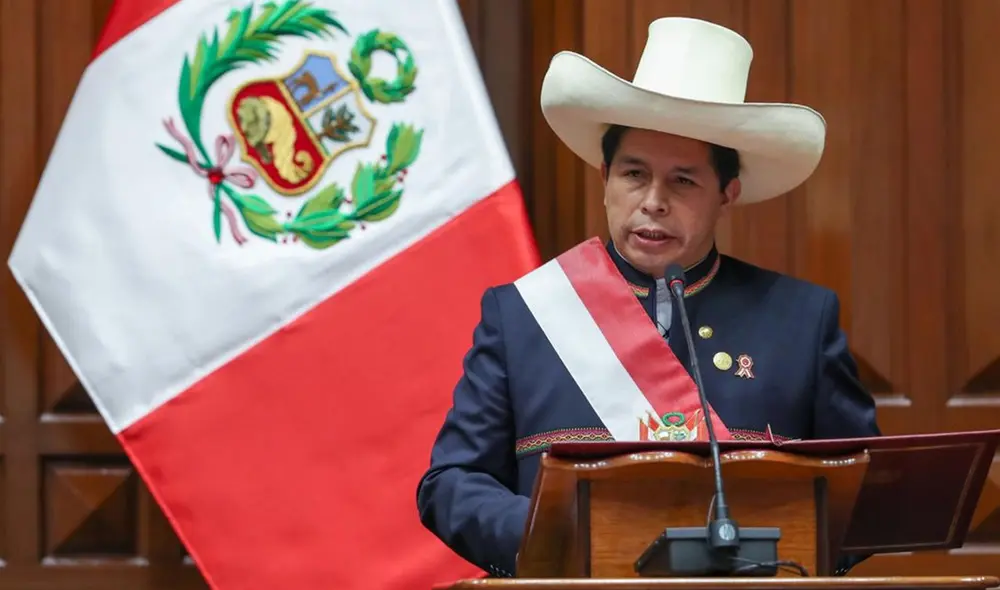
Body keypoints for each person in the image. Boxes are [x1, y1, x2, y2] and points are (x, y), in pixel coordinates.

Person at [416, 16, 880, 579]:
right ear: (605, 176)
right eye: (634, 174)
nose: (653, 201)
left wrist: (781, 554)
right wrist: (561, 540)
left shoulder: (801, 321)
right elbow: (452, 483)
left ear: (727, 193)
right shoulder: (523, 317)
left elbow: (865, 493)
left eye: (683, 181)